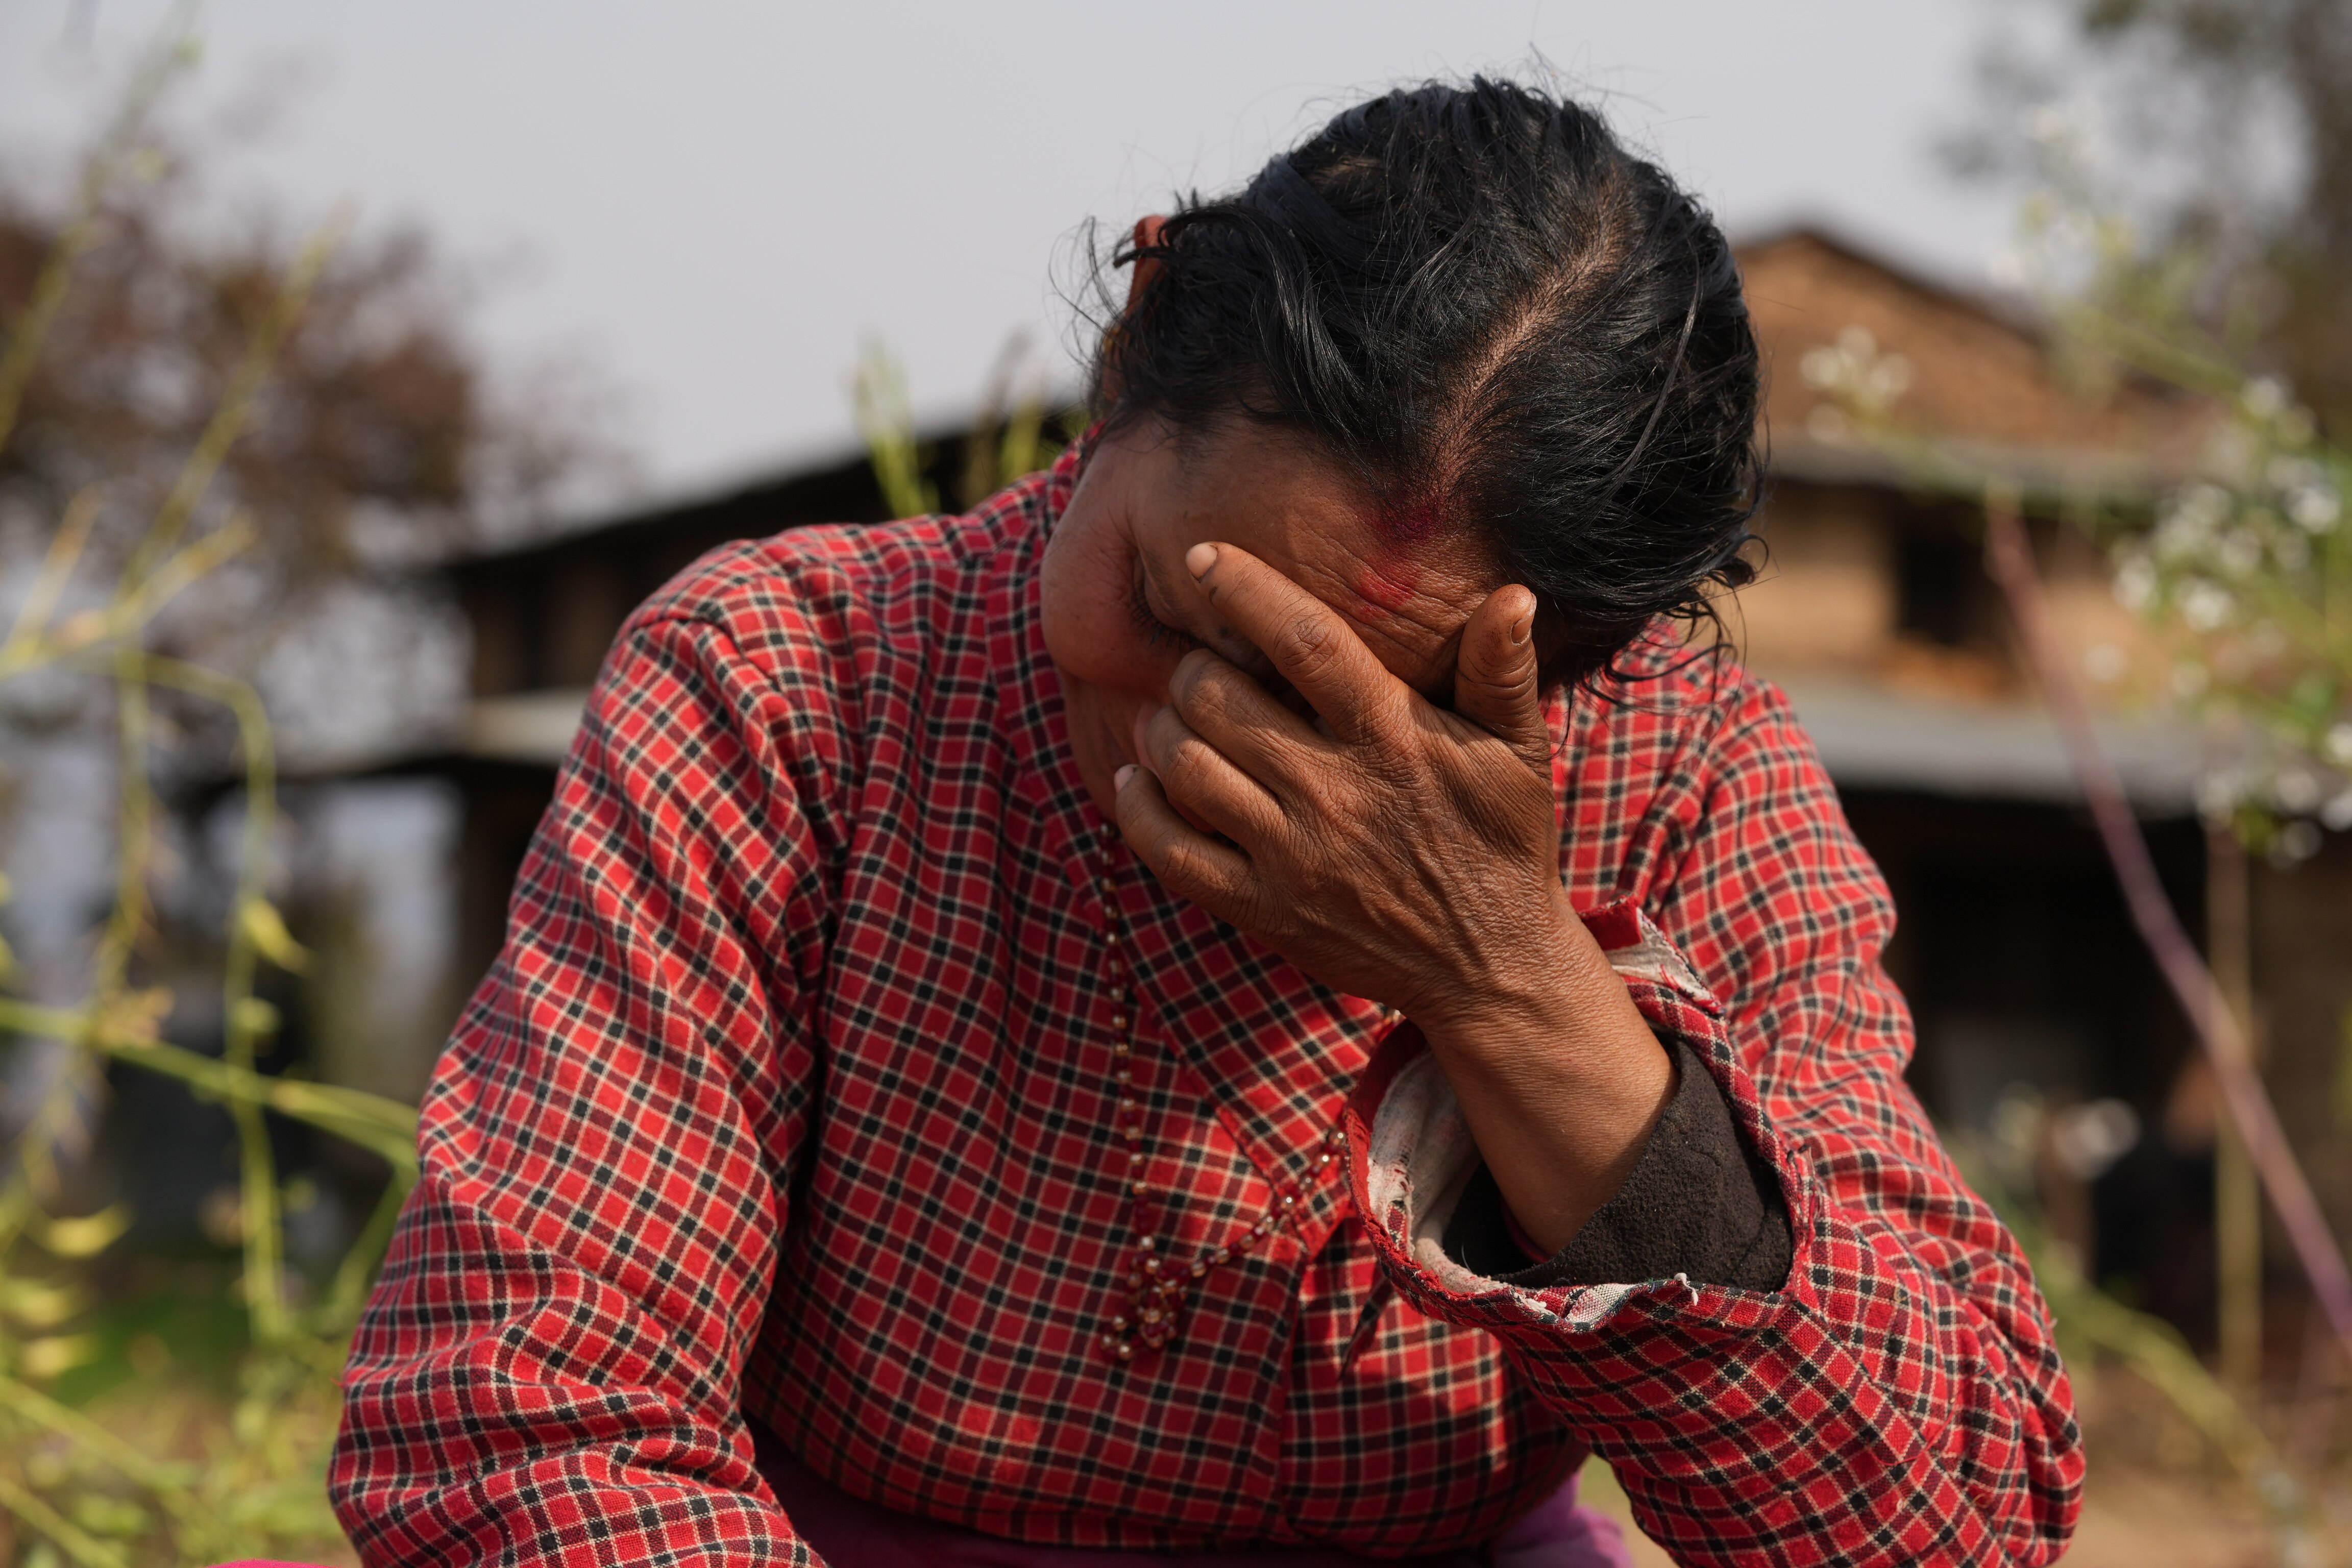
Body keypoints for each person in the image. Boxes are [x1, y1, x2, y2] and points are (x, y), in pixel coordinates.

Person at [330, 79, 2082, 1567]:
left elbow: (1955, 1525)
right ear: (1124, 357)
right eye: (1175, 605)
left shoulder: (1685, 783)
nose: (1215, 731)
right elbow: (521, 1415)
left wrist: (1512, 981)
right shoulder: (793, 688)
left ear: (1594, 675)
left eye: (1363, 712)